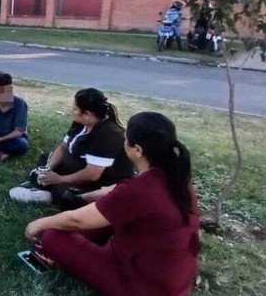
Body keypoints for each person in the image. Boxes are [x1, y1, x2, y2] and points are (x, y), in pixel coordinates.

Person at [24, 112, 200, 296]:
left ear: (137, 150)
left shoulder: (140, 191)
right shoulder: (178, 179)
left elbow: (77, 221)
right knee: (100, 218)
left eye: (126, 139)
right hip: (172, 280)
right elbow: (116, 192)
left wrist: (38, 224)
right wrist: (85, 197)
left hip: (139, 285)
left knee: (53, 236)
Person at [9, 88, 133, 207]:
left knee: (68, 194)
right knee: (46, 157)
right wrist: (48, 170)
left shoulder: (108, 134)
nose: (71, 111)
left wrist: (59, 179)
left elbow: (92, 174)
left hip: (102, 181)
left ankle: (49, 193)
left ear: (87, 114)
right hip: (80, 165)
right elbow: (63, 147)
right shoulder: (81, 123)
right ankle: (41, 185)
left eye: (74, 109)